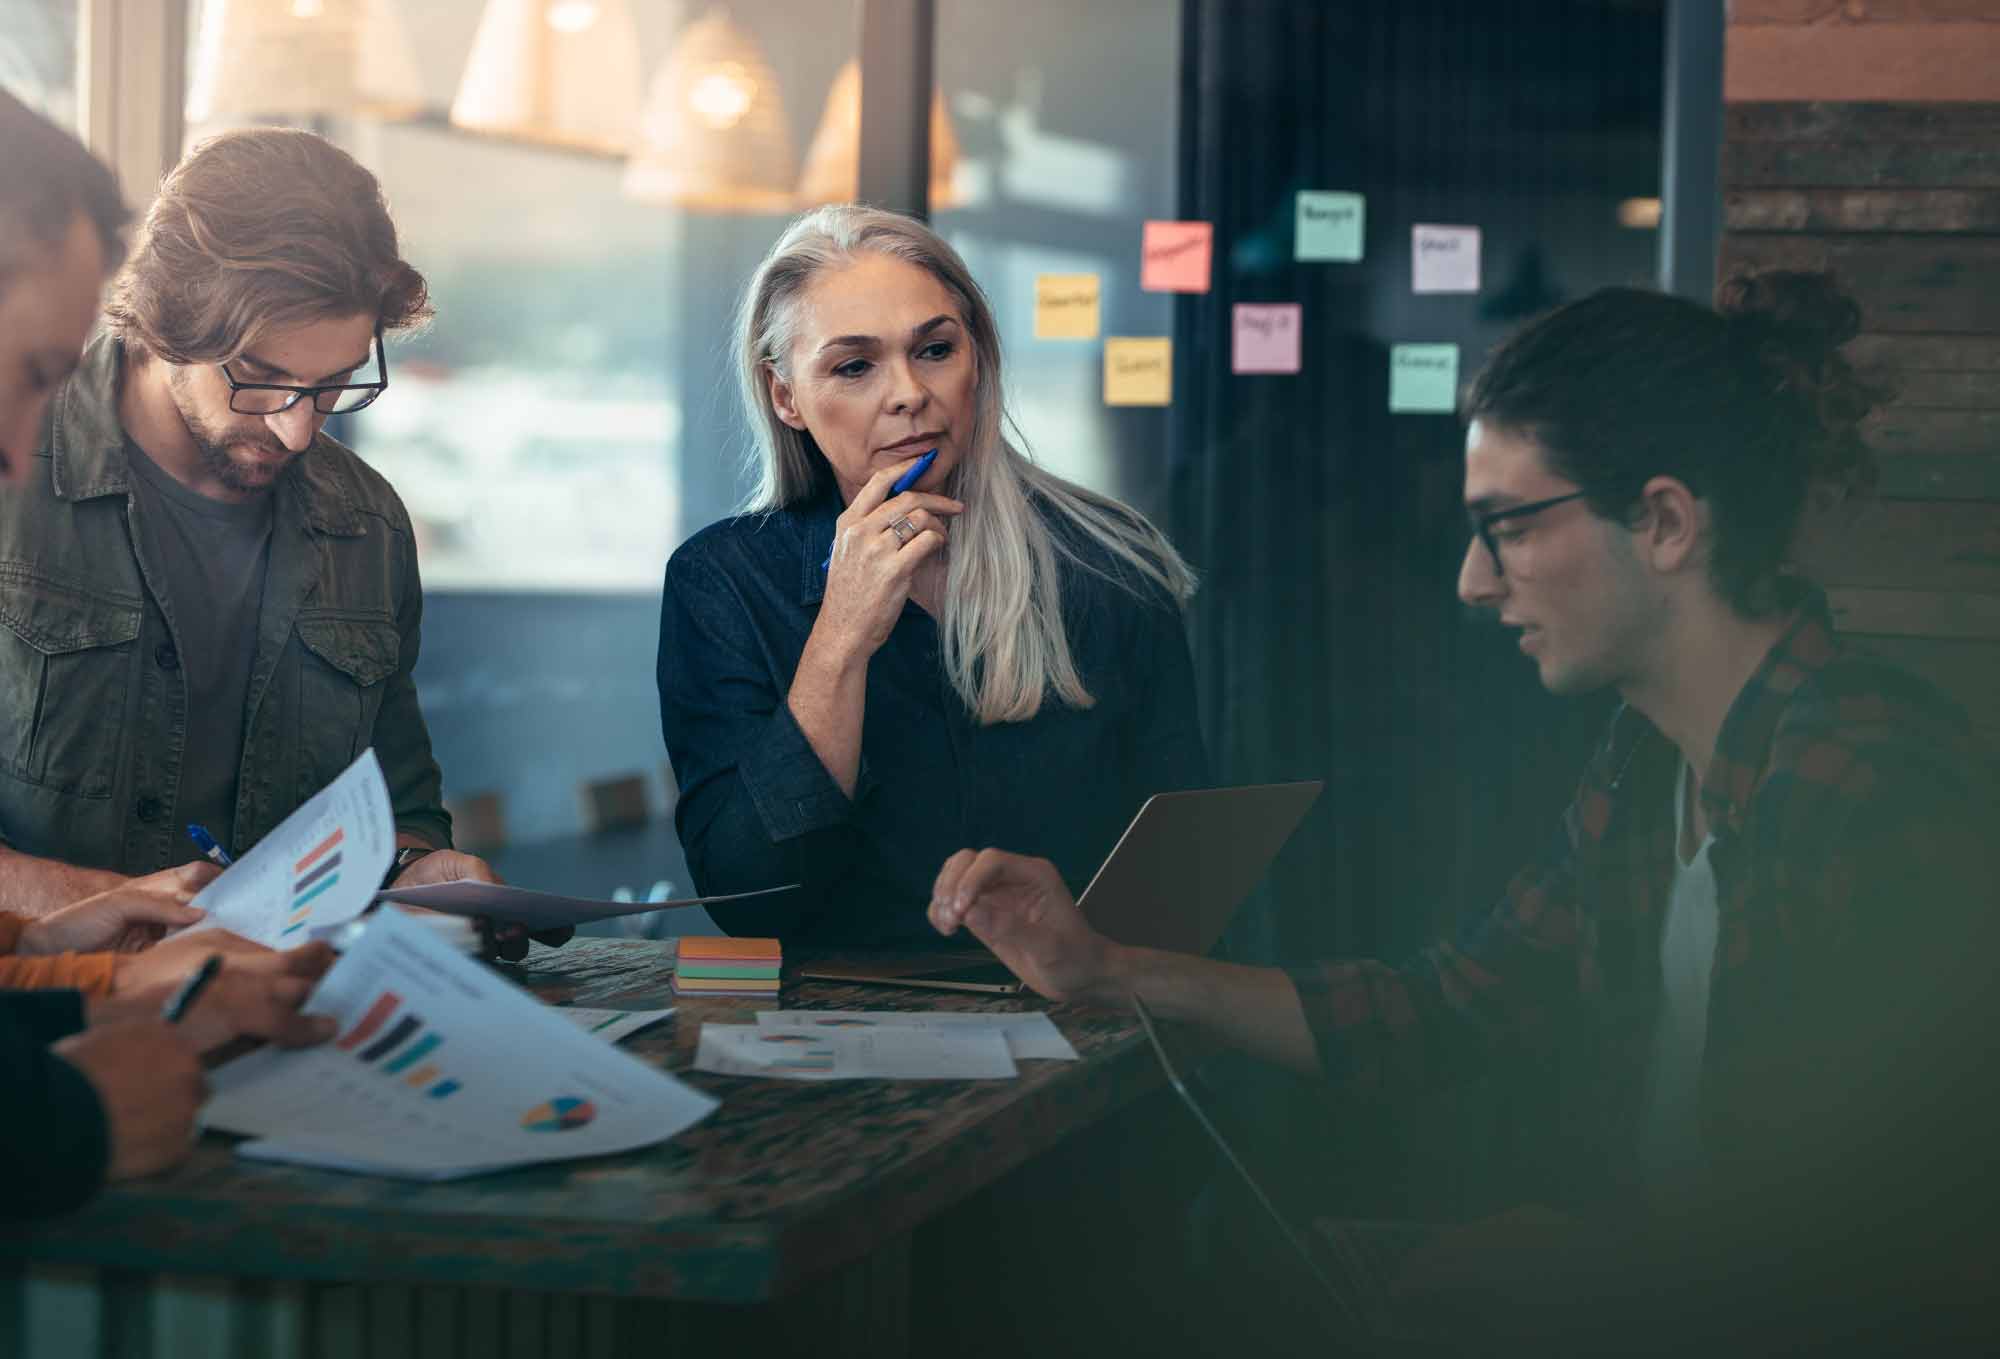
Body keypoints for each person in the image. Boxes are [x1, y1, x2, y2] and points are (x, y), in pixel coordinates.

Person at [928, 273, 2000, 1346]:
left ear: (1665, 523)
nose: (1471, 582)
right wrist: (1105, 966)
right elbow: (1455, 1009)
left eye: (1508, 528)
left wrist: (1588, 1271)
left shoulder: (1866, 781)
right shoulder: (1643, 761)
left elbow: (1884, 1249)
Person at [0, 125, 565, 958]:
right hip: (54, 1017)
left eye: (333, 385)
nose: (298, 429)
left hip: (287, 1009)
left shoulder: (368, 526)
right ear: (167, 324)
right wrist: (120, 908)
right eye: (263, 378)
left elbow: (398, 806)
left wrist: (421, 871)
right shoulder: (14, 468)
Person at [659, 205, 1209, 944]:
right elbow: (747, 899)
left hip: (1077, 1001)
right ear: (786, 396)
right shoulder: (722, 580)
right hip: (835, 1012)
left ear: (977, 358)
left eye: (935, 350)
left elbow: (1185, 877)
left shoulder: (1109, 562)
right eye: (854, 366)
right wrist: (841, 637)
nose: (909, 393)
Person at [0, 90, 335, 1221]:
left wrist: (78, 973)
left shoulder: (364, 522)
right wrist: (67, 1122)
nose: (20, 456)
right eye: (32, 373)